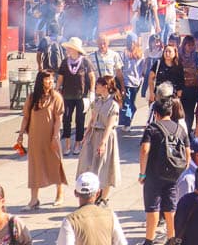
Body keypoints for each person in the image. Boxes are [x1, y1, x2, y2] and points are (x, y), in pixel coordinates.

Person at [139, 98, 188, 245]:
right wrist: (180, 170)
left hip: (154, 174)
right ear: (171, 111)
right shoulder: (180, 129)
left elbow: (144, 150)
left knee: (153, 207)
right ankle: (171, 238)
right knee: (170, 206)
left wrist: (142, 173)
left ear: (156, 113)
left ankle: (149, 239)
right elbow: (187, 152)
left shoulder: (152, 128)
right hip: (173, 174)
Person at [17, 69, 66, 209]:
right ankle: (34, 199)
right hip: (35, 137)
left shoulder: (56, 97)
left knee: (56, 163)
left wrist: (55, 136)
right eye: (47, 79)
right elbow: (26, 117)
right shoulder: (32, 98)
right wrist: (20, 134)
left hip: (51, 136)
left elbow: (58, 119)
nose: (50, 82)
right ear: (40, 80)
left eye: (51, 79)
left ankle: (59, 194)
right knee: (35, 166)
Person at [77, 75, 121, 206]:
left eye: (98, 85)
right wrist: (87, 132)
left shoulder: (113, 105)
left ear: (105, 87)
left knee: (105, 166)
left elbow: (110, 125)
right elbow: (93, 118)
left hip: (105, 136)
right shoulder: (97, 101)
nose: (96, 87)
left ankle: (104, 197)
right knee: (89, 164)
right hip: (94, 135)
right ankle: (94, 193)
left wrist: (103, 143)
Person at [58, 173, 128, 245]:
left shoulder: (70, 221)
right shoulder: (111, 216)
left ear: (75, 193)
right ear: (98, 193)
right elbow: (121, 243)